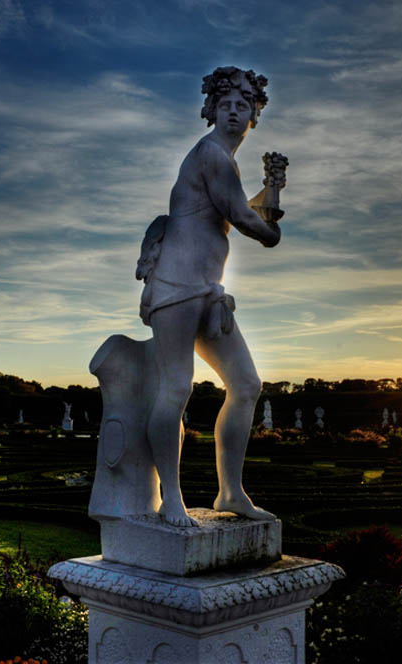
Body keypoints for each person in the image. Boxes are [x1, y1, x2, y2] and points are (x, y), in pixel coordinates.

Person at [136, 66, 286, 526]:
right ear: (211, 110)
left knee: (246, 385)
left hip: (209, 291)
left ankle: (231, 493)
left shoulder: (224, 162)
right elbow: (241, 215)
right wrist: (271, 235)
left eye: (243, 105)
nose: (234, 112)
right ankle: (171, 498)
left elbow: (241, 206)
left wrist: (273, 188)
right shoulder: (211, 154)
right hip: (177, 287)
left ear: (254, 114)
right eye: (226, 105)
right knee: (176, 388)